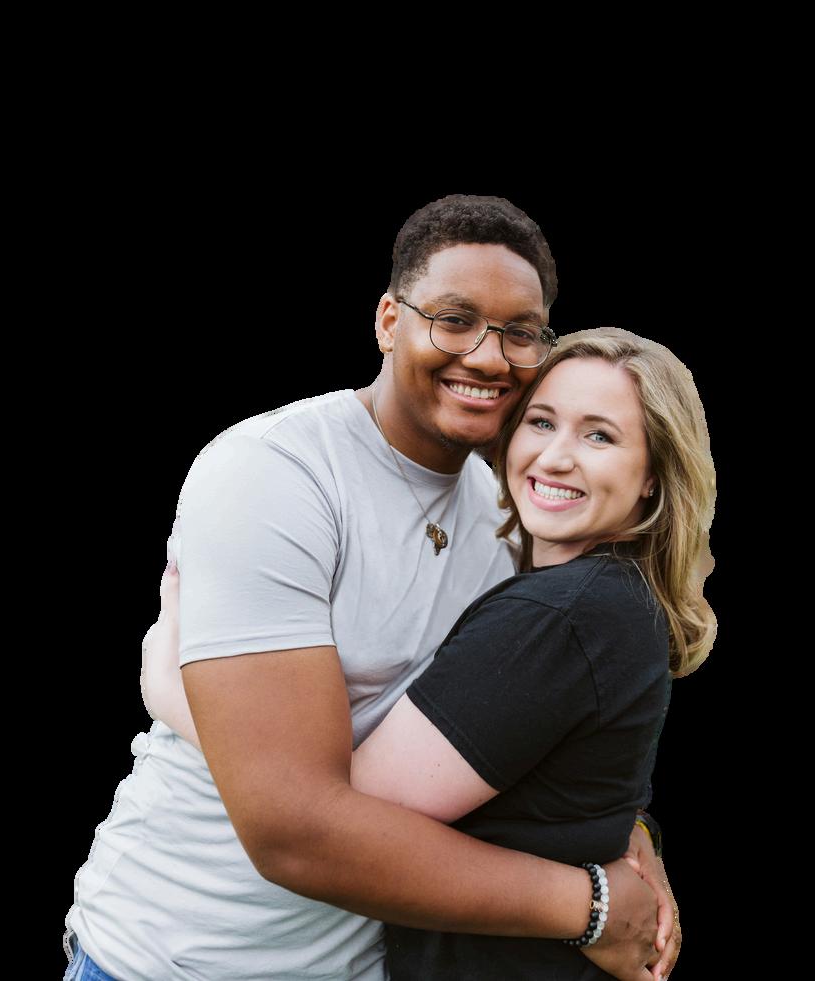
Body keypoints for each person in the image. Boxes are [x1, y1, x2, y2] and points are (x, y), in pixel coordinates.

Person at [63, 194, 681, 981]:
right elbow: (292, 826)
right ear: (389, 321)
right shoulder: (277, 474)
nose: (488, 356)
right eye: (454, 319)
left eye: (520, 332)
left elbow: (526, 728)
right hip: (175, 956)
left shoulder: (511, 514)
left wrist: (632, 840)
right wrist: (589, 903)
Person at [144, 327, 715, 979]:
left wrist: (169, 687)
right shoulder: (602, 595)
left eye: (599, 436)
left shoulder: (561, 614)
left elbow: (339, 808)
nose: (556, 457)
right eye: (541, 422)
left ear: (653, 476)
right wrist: (633, 837)